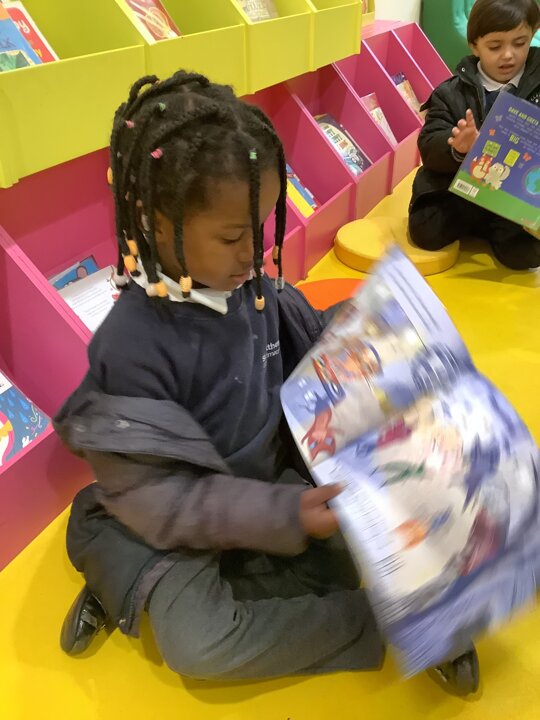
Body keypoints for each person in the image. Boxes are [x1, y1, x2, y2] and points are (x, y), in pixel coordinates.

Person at [55, 70, 479, 695]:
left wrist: (395, 338)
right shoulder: (132, 346)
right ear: (155, 222)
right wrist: (281, 515)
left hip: (266, 483)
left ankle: (139, 584)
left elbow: (316, 337)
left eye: (261, 226)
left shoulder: (251, 289)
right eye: (233, 236)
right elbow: (161, 496)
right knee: (198, 641)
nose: (253, 252)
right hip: (175, 515)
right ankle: (387, 624)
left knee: (374, 524)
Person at [409, 0, 540, 270]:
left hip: (513, 201)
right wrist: (457, 148)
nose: (508, 55)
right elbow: (429, 144)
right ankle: (474, 222)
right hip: (459, 192)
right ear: (474, 45)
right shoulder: (451, 92)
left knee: (526, 256)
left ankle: (496, 229)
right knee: (425, 231)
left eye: (520, 43)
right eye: (495, 46)